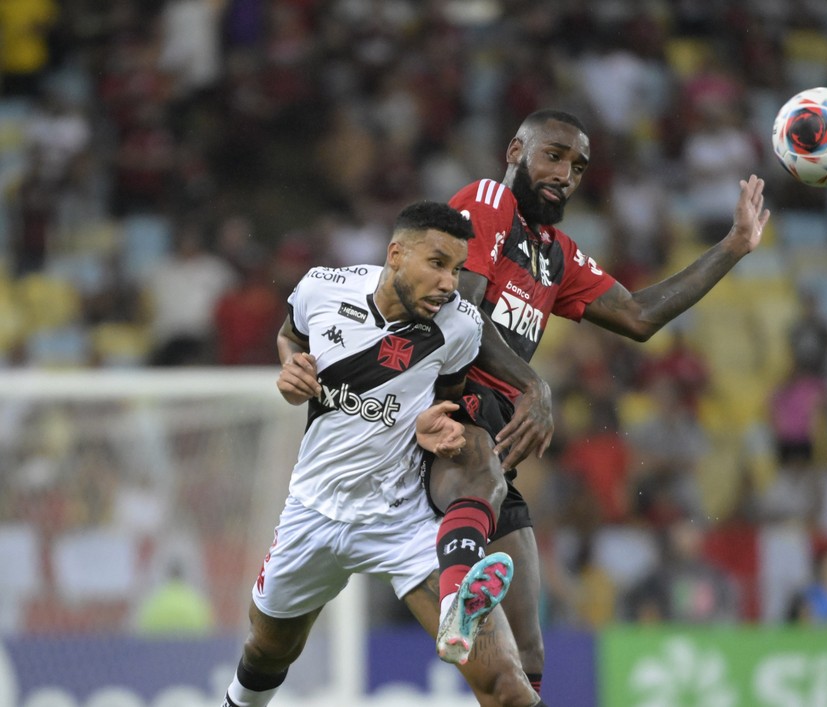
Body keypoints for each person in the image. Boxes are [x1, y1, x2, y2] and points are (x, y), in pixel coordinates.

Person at [428, 109, 769, 693]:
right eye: (553, 156)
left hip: (495, 438)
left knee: (527, 655)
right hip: (444, 406)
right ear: (515, 151)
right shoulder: (487, 202)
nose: (566, 174)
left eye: (579, 166)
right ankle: (456, 591)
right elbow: (459, 319)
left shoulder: (555, 252)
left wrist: (733, 247)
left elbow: (638, 316)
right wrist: (535, 385)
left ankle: (467, 598)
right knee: (479, 461)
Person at [222, 201, 543, 707]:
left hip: (402, 519)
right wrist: (291, 369)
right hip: (314, 511)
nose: (449, 283)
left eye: (458, 270)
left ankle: (459, 590)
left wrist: (436, 424)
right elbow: (290, 335)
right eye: (437, 264)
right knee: (267, 651)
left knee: (505, 684)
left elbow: (446, 395)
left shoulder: (459, 327)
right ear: (396, 254)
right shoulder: (321, 288)